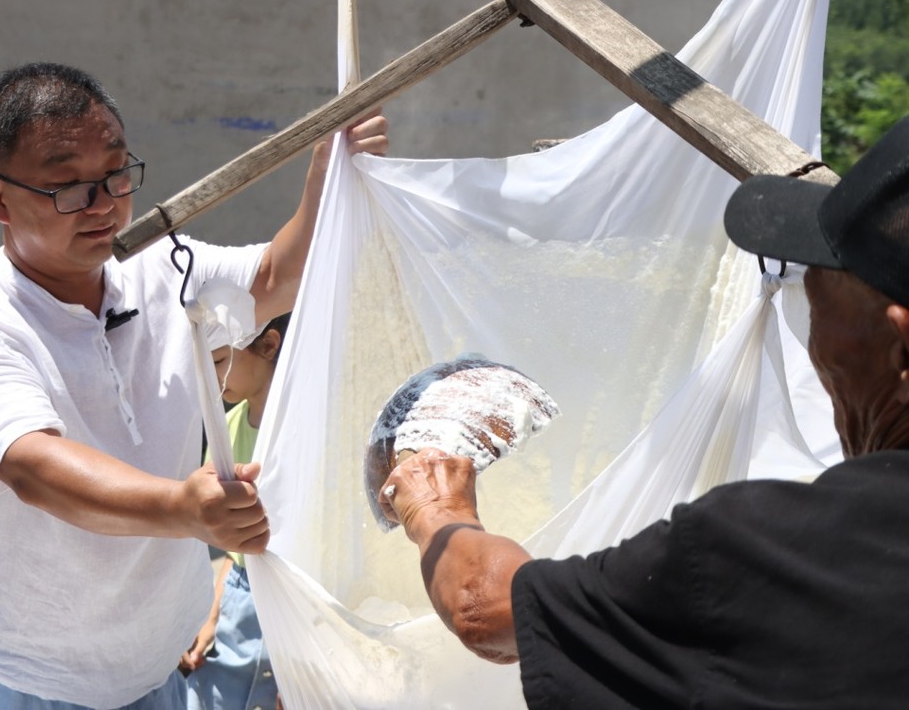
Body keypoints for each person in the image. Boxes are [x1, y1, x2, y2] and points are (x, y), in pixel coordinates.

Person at [380, 115, 909, 708]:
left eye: (817, 305)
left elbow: (486, 607)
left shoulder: (775, 550)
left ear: (901, 347)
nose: (813, 347)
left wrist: (435, 509)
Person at [0, 62, 388, 710]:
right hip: (9, 681)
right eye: (68, 187)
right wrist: (183, 509)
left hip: (152, 678)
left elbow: (275, 275)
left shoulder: (161, 268)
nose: (103, 204)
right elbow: (36, 470)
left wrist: (325, 177)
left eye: (114, 174)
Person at [181, 312, 291, 710]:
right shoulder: (225, 428)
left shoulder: (304, 430)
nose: (208, 379)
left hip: (292, 606)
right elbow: (233, 550)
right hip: (239, 604)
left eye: (217, 362)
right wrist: (210, 615)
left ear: (268, 345)